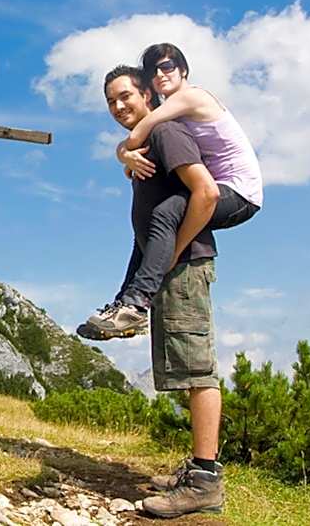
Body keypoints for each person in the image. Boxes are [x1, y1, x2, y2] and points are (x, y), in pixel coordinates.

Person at [95, 65, 225, 518]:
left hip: (187, 266)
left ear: (148, 94)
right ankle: (197, 470)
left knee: (197, 370)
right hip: (172, 267)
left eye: (126, 96)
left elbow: (205, 193)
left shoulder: (167, 132)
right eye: (111, 101)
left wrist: (176, 252)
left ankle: (206, 482)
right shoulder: (144, 143)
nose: (118, 106)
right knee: (184, 369)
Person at [77, 43, 262, 341]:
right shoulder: (173, 116)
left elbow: (141, 131)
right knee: (153, 227)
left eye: (168, 67)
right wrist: (124, 155)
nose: (161, 75)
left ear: (184, 69)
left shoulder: (189, 99)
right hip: (222, 188)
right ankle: (126, 303)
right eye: (153, 70)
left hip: (240, 193)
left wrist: (124, 154)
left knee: (166, 213)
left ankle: (135, 304)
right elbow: (136, 137)